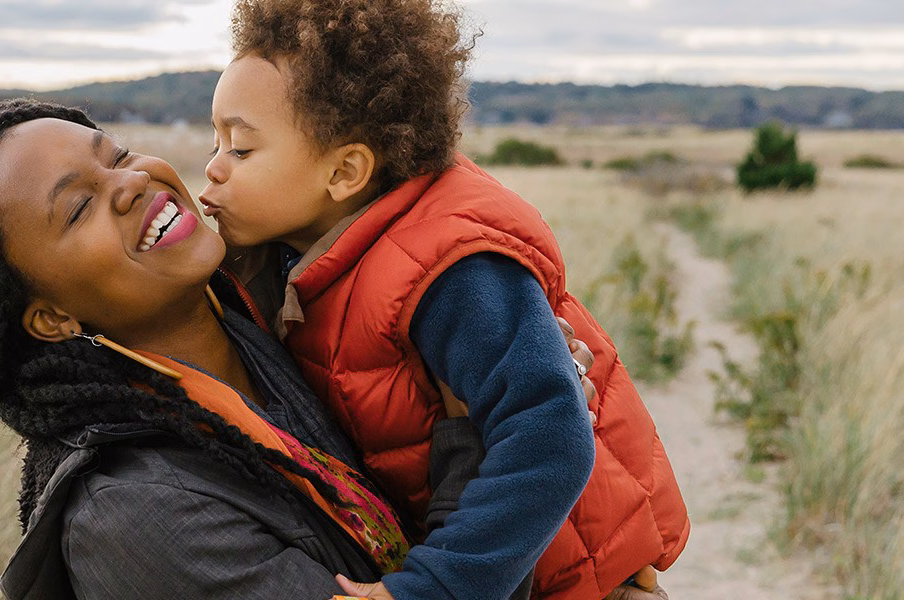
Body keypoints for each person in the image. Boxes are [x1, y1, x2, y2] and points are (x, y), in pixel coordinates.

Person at [0, 99, 595, 600]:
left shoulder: (268, 298)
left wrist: (509, 362)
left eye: (117, 156)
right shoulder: (135, 515)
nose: (132, 182)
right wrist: (472, 435)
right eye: (77, 207)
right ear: (50, 318)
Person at [199, 1, 689, 598]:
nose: (213, 168)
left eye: (240, 149)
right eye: (215, 141)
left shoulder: (448, 267)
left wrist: (434, 588)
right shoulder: (310, 261)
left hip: (580, 582)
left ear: (345, 172)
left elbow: (549, 434)